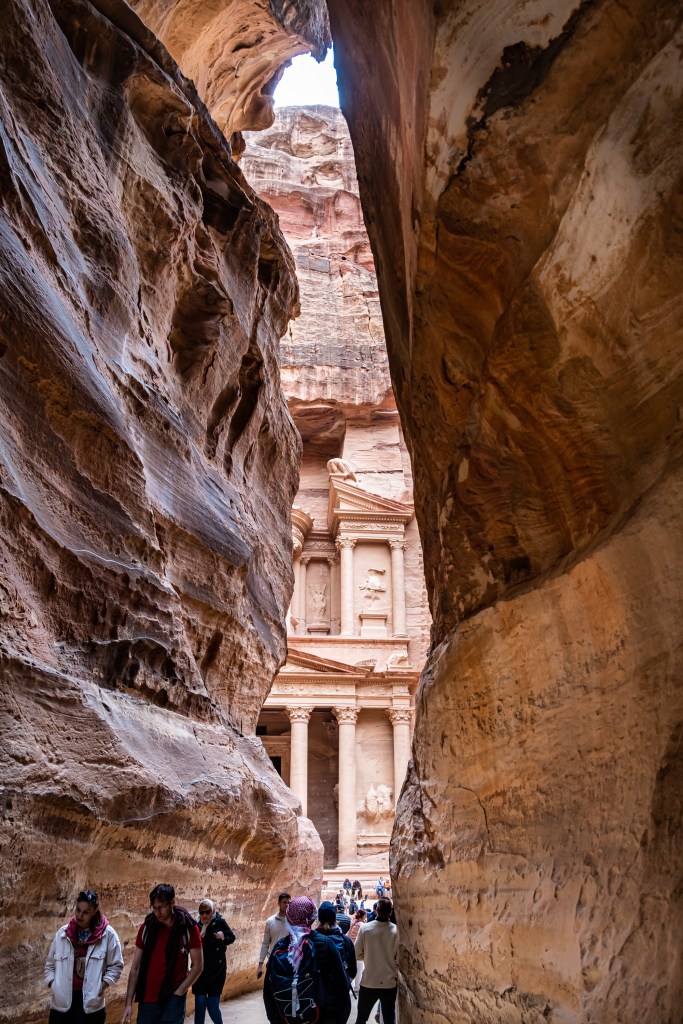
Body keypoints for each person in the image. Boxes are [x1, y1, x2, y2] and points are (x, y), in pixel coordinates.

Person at [121, 883, 203, 1024]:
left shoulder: (187, 928)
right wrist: (128, 1003)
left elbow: (198, 966)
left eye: (161, 907)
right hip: (148, 1000)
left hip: (173, 998)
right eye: (154, 908)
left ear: (172, 902)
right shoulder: (147, 928)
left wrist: (180, 992)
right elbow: (135, 968)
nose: (157, 913)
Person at [263, 897, 348, 1024]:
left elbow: (268, 989)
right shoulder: (326, 944)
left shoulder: (280, 946)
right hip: (319, 1016)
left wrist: (275, 1019)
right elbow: (341, 985)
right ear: (312, 917)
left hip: (286, 1017)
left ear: (289, 917)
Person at [45, 889, 123, 1023]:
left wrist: (101, 987)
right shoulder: (63, 934)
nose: (80, 916)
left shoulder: (108, 935)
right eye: (78, 910)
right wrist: (55, 986)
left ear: (94, 911)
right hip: (61, 1004)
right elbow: (50, 965)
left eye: (85, 912)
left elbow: (116, 966)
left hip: (91, 1006)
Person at [353, 898, 398, 1024]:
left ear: (376, 910)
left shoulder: (365, 929)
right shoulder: (396, 931)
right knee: (389, 1020)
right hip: (389, 983)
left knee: (361, 1019)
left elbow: (356, 954)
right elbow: (399, 957)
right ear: (390, 912)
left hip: (369, 981)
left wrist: (369, 957)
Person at [192, 899, 236, 1024]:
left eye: (207, 912)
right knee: (200, 1004)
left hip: (217, 972)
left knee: (212, 1006)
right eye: (202, 912)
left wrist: (223, 937)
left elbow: (231, 937)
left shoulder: (220, 922)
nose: (205, 915)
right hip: (199, 971)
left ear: (213, 911)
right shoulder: (196, 925)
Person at [313, 902, 356, 1024]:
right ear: (334, 918)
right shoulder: (345, 941)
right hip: (338, 999)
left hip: (316, 999)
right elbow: (352, 971)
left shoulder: (311, 940)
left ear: (319, 918)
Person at [257, 892, 290, 979]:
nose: (286, 905)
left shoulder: (292, 922)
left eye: (288, 903)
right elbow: (265, 944)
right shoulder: (270, 921)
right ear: (279, 903)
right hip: (273, 961)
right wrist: (260, 965)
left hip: (288, 961)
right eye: (284, 902)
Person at [348, 910, 367, 995]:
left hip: (351, 948)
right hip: (358, 949)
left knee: (353, 968)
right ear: (363, 916)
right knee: (359, 969)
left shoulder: (353, 923)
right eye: (365, 915)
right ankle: (356, 988)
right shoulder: (362, 925)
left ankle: (348, 985)